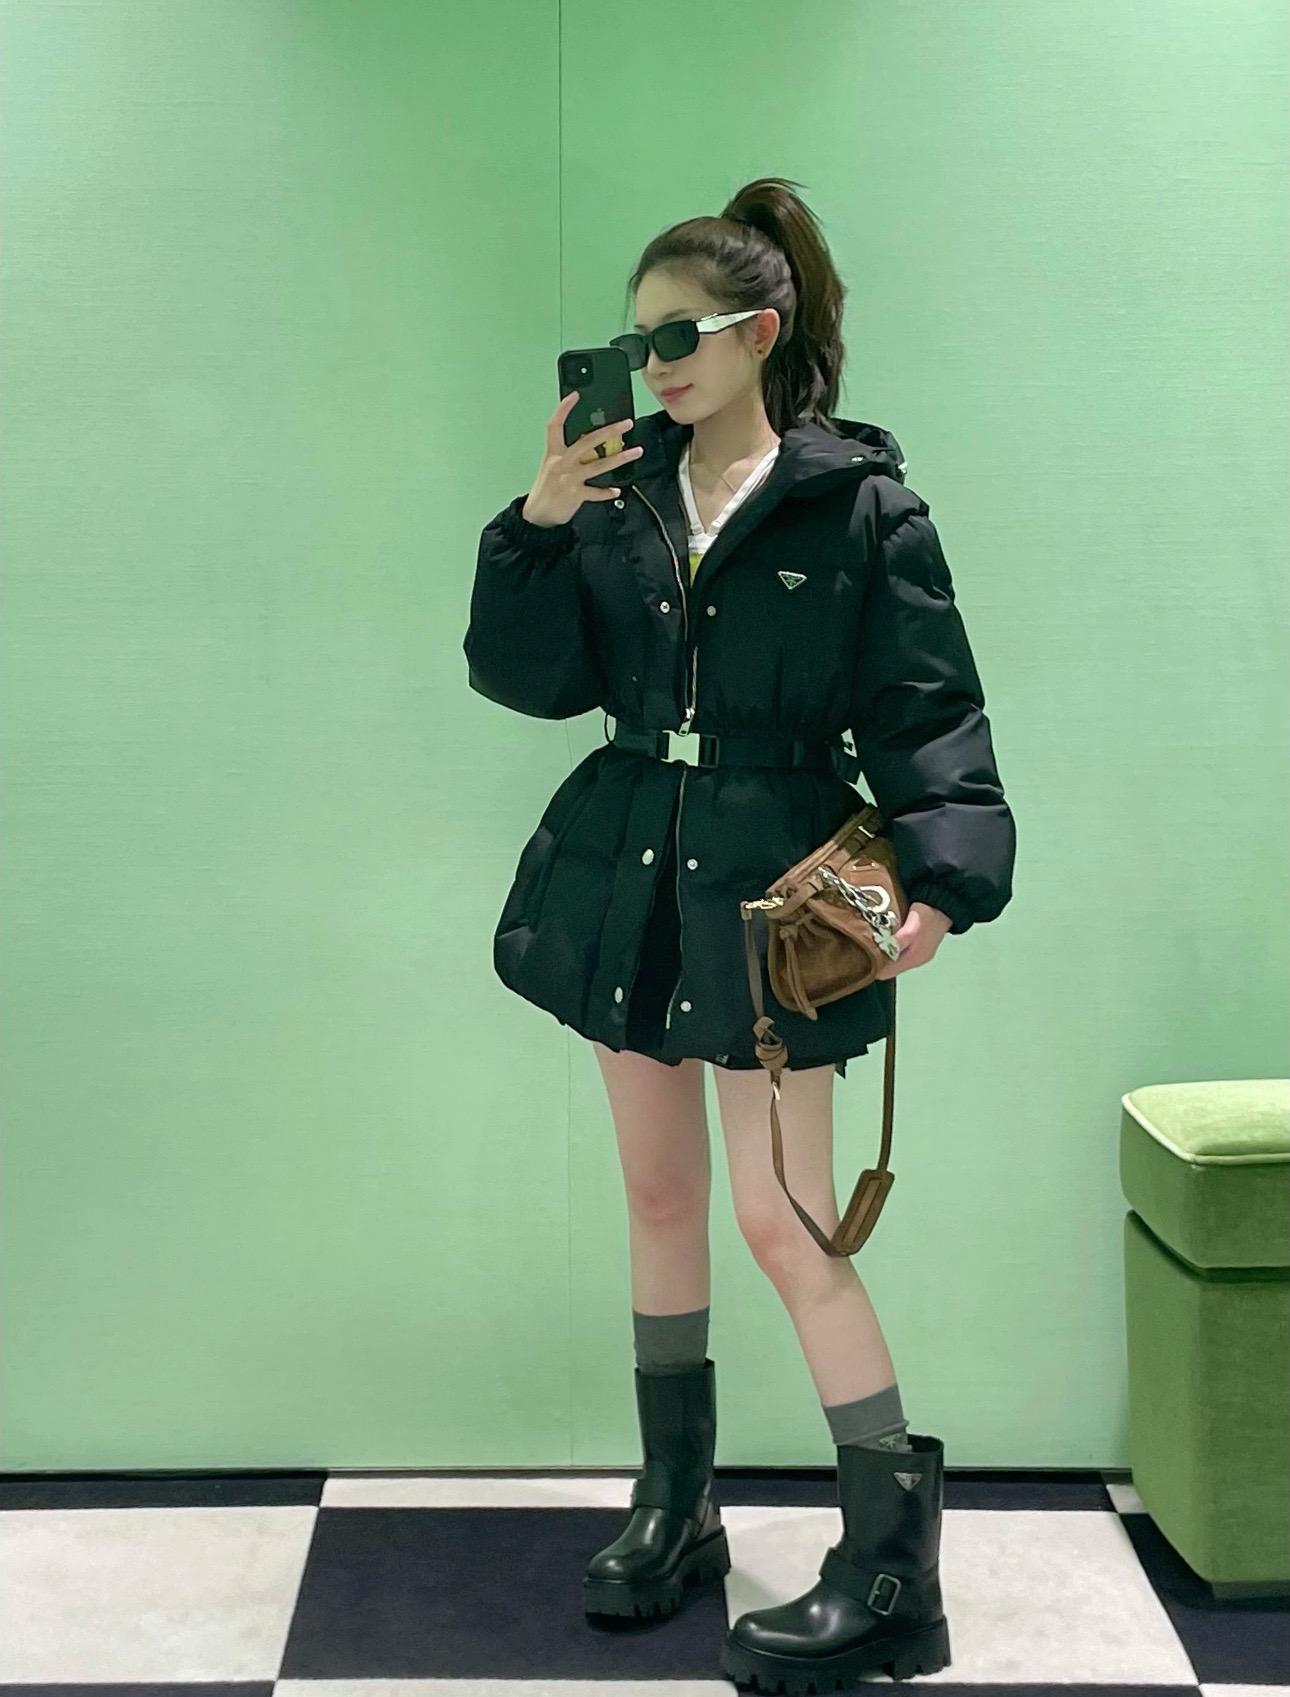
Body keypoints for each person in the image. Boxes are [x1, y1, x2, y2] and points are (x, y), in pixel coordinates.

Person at [463, 176, 1016, 1692]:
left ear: (758, 334)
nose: (652, 367)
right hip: (628, 866)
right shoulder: (616, 496)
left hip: (782, 890)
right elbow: (526, 680)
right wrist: (540, 521)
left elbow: (929, 706)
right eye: (635, 341)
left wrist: (943, 876)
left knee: (788, 1218)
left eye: (679, 337)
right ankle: (676, 1510)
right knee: (658, 1195)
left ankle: (892, 1574)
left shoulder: (860, 508)